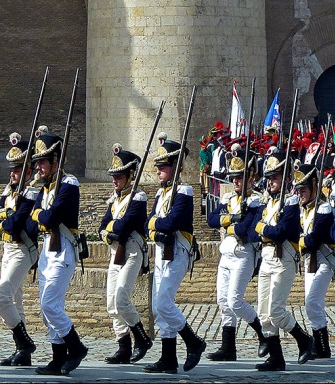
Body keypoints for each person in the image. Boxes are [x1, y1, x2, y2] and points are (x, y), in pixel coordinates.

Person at [144, 134, 205, 374]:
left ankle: (193, 342)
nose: (158, 170)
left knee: (163, 302)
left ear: (175, 167)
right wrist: (156, 225)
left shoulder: (185, 191)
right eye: (158, 166)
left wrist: (156, 224)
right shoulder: (161, 195)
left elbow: (172, 223)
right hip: (161, 251)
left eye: (163, 166)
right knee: (158, 308)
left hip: (178, 250)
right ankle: (168, 359)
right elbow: (150, 221)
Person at [30, 129, 88, 375]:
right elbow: (34, 215)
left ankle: (75, 347)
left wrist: (42, 216)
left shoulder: (69, 183)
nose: (39, 167)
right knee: (48, 308)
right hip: (47, 251)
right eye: (38, 162)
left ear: (55, 161)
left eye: (43, 161)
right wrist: (42, 216)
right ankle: (58, 357)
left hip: (63, 249)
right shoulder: (46, 188)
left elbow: (51, 216)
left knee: (50, 304)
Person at [252, 149, 313, 371]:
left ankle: (303, 339)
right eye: (269, 178)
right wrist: (266, 229)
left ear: (284, 178)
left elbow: (283, 231)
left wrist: (263, 228)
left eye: (275, 178)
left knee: (276, 310)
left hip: (284, 257)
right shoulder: (266, 203)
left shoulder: (290, 202)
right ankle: (276, 358)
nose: (271, 183)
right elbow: (251, 231)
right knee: (263, 312)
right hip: (266, 257)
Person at [205, 143, 267, 362]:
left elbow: (245, 229)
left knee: (235, 301)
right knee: (222, 300)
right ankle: (228, 347)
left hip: (243, 253)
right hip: (227, 253)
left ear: (250, 178)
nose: (235, 182)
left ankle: (263, 334)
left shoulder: (255, 200)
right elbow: (211, 219)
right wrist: (231, 219)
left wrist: (229, 223)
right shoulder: (229, 199)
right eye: (233, 178)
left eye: (240, 177)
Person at [0, 132, 40, 366]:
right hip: (7, 248)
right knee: (15, 301)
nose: (12, 173)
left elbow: (16, 223)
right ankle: (22, 352)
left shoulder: (31, 192)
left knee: (2, 296)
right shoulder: (9, 191)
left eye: (17, 170)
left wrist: (5, 217)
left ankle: (25, 342)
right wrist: (5, 215)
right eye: (11, 169)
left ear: (28, 171)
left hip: (23, 249)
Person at [98, 143, 154, 364]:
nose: (115, 180)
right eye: (114, 176)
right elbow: (102, 227)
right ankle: (123, 346)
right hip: (115, 252)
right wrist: (109, 231)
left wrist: (110, 229)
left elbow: (123, 227)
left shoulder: (138, 198)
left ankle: (141, 338)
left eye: (120, 176)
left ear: (131, 175)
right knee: (112, 303)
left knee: (121, 298)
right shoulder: (116, 199)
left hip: (131, 251)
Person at [294, 155, 335, 361]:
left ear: (313, 187)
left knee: (312, 300)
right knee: (311, 302)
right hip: (309, 260)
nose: (300, 193)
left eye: (303, 189)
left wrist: (300, 241)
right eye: (298, 190)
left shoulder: (323, 208)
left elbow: (314, 239)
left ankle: (321, 345)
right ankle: (320, 346)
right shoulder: (302, 210)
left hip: (324, 259)